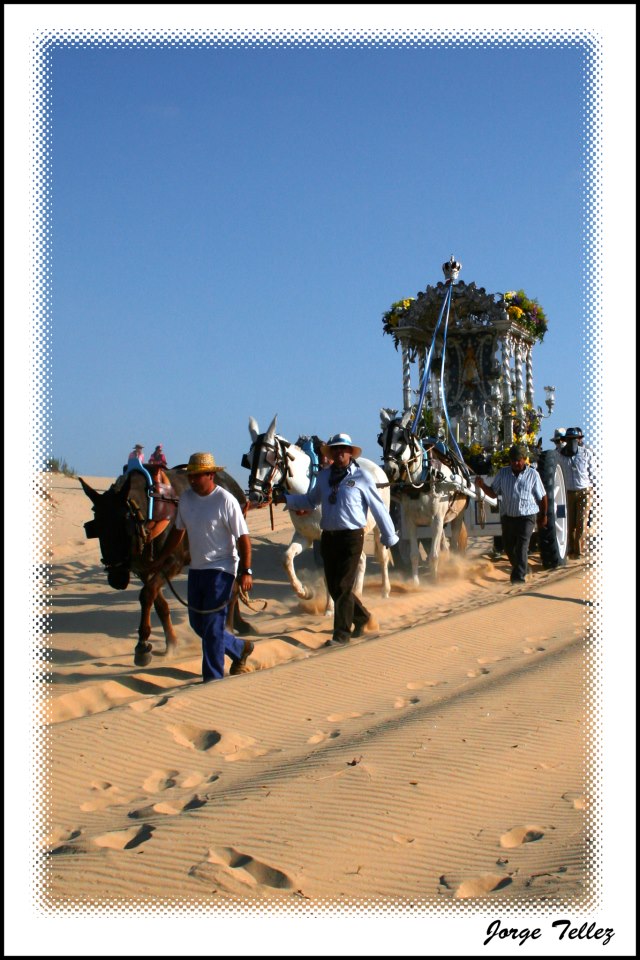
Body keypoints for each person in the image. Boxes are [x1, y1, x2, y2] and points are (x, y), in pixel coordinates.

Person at [273, 433, 399, 646]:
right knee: (335, 587)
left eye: (343, 449)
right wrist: (286, 498)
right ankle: (363, 618)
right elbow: (310, 501)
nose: (339, 452)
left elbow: (378, 507)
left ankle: (341, 635)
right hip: (329, 538)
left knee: (342, 585)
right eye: (335, 449)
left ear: (350, 453)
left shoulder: (362, 477)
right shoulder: (323, 477)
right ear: (331, 453)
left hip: (352, 537)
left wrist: (389, 535)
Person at [149, 451, 254, 681]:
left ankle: (212, 680)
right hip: (197, 570)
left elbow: (243, 538)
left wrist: (246, 570)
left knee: (213, 627)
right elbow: (178, 532)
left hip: (222, 570)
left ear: (210, 475)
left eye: (197, 476)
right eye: (190, 476)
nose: (192, 480)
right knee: (199, 624)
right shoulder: (186, 499)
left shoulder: (225, 500)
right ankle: (239, 648)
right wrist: (162, 557)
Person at [474, 443, 548, 584]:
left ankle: (517, 580)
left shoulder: (533, 474)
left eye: (518, 460)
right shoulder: (503, 473)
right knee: (508, 548)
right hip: (508, 517)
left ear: (524, 459)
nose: (515, 463)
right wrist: (482, 485)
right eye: (513, 460)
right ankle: (523, 569)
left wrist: (544, 515)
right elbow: (493, 493)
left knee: (521, 547)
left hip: (527, 516)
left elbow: (543, 496)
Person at [560, 427, 597, 559]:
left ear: (579, 440)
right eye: (569, 440)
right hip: (568, 493)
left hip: (584, 491)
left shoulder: (586, 453)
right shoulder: (560, 455)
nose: (572, 442)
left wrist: (595, 489)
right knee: (570, 523)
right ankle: (570, 549)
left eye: (574, 439)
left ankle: (579, 551)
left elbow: (593, 473)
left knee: (581, 522)